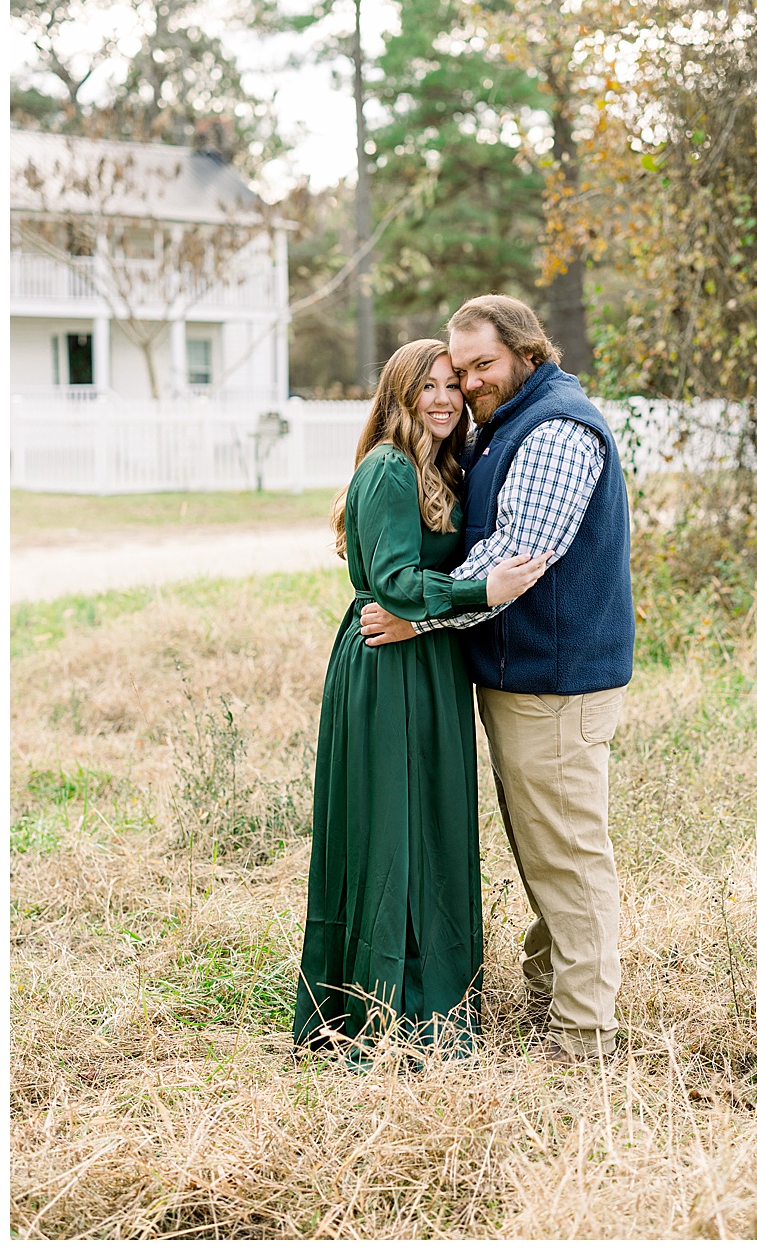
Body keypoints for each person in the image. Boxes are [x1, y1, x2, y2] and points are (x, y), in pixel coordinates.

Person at [360, 294, 634, 1064]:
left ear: (525, 351)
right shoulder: (506, 423)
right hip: (524, 676)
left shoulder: (554, 430)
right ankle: (552, 994)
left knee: (569, 855)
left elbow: (516, 556)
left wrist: (422, 617)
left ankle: (583, 1037)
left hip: (556, 680)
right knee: (544, 847)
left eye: (483, 365)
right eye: (461, 367)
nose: (470, 382)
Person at [294, 339, 548, 1059]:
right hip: (386, 665)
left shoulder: (442, 468)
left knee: (430, 824)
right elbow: (398, 586)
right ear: (398, 399)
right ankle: (381, 1009)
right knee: (390, 828)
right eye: (425, 388)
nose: (443, 399)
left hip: (431, 659)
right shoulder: (386, 470)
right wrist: (483, 591)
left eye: (451, 387)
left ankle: (435, 1000)